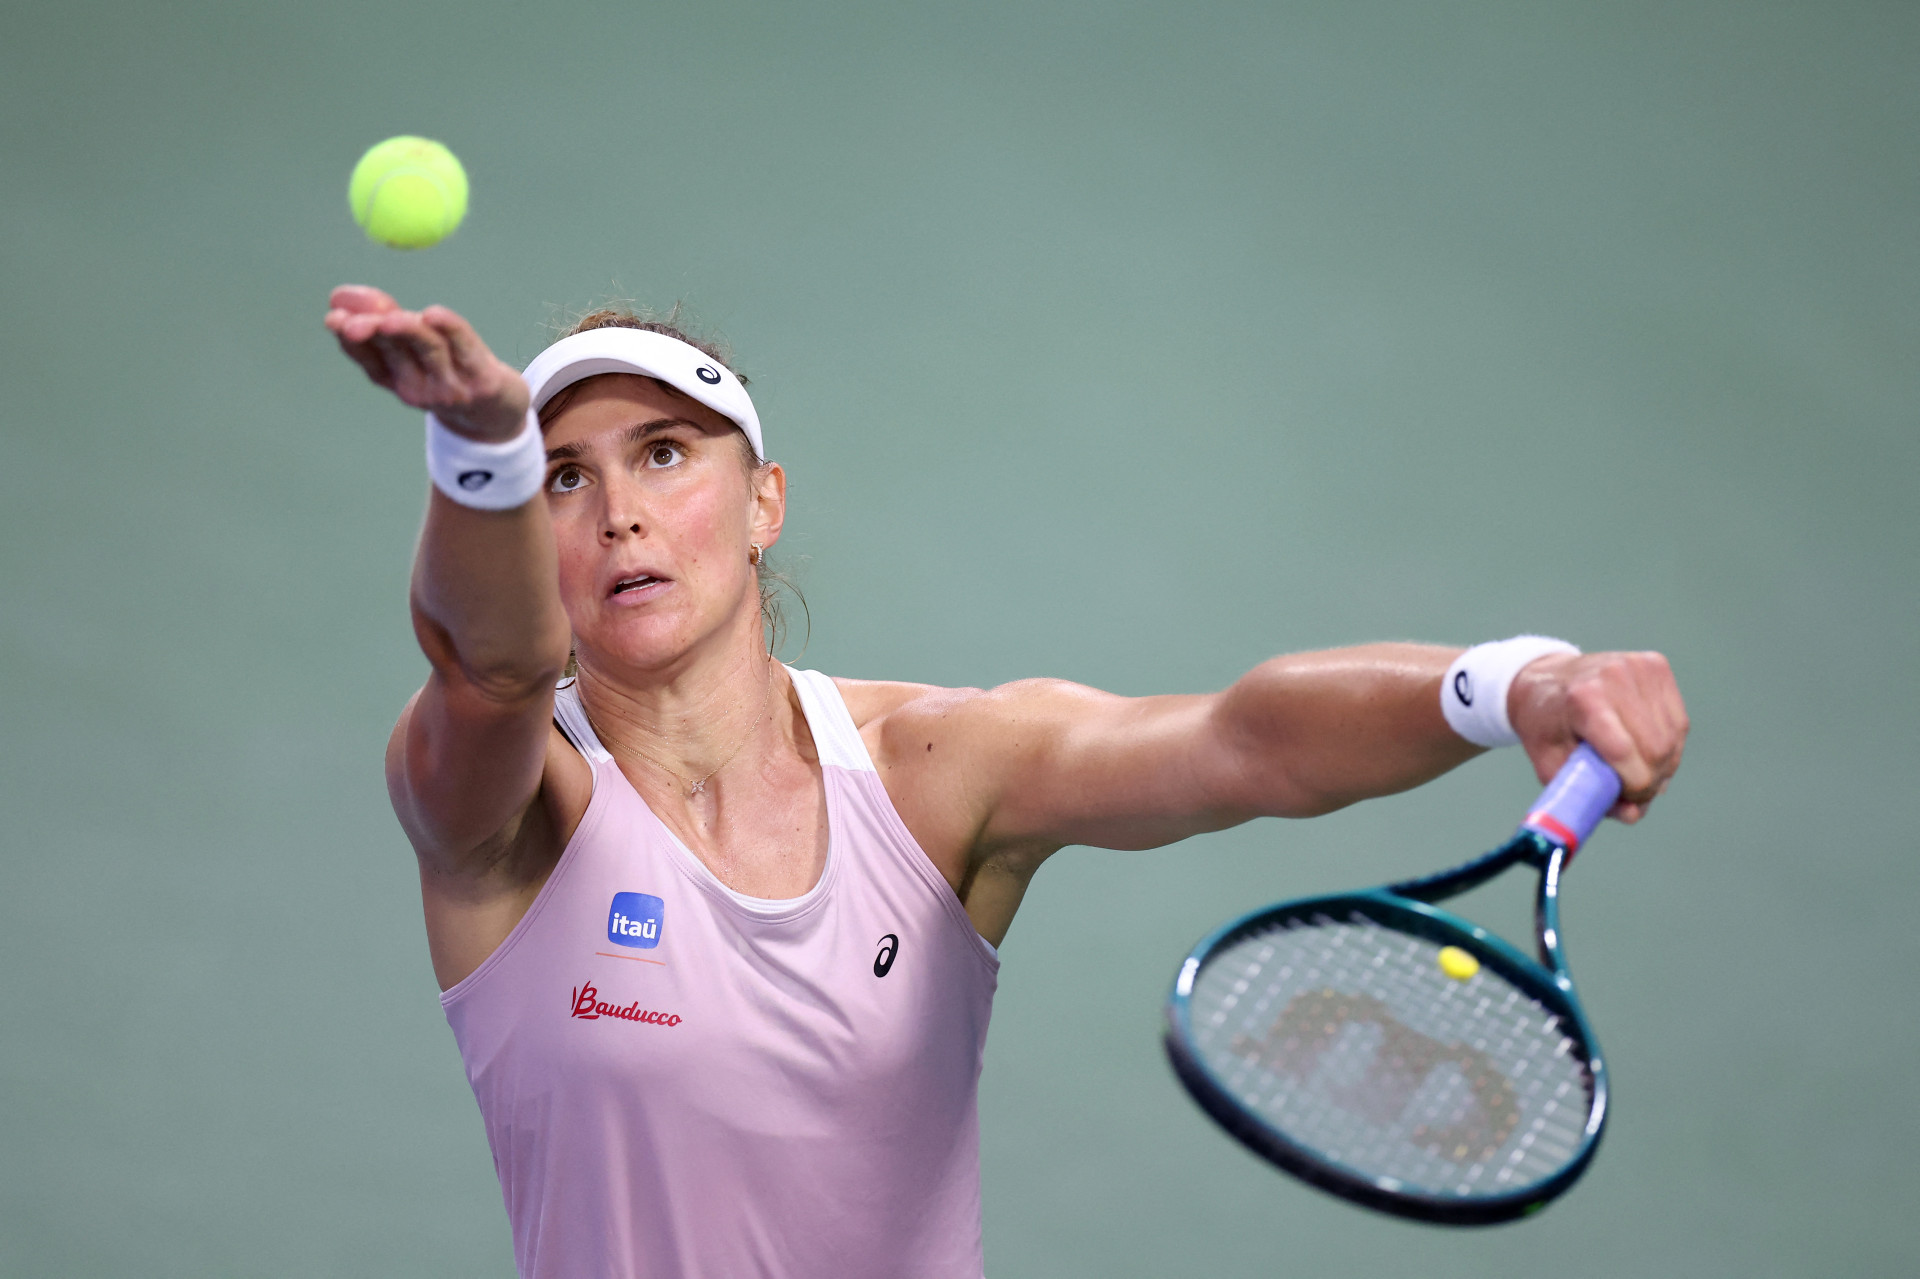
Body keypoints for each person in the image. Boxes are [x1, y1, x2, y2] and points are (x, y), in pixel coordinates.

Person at [324, 283, 1688, 1279]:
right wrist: (482, 454)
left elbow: (1243, 742)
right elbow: (492, 675)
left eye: (665, 456)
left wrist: (1514, 683)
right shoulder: (510, 817)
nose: (618, 509)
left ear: (763, 505)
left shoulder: (934, 774)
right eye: (563, 479)